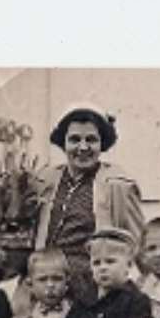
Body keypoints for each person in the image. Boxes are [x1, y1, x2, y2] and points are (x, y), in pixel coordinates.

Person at [33, 102, 146, 305]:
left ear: (102, 144)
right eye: (75, 139)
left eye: (91, 140)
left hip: (94, 293)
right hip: (48, 291)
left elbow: (138, 244)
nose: (83, 147)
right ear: (63, 143)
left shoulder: (117, 185)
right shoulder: (44, 182)